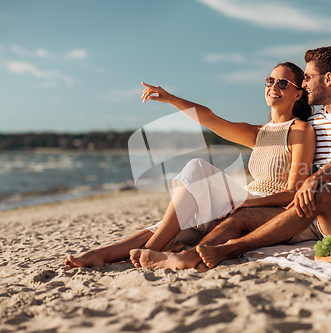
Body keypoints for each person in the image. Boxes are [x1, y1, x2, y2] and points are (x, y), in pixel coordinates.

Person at [128, 45, 331, 270]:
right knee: (238, 218)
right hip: (307, 211)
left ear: (329, 78)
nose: (305, 83)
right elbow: (216, 120)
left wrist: (313, 181)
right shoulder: (313, 122)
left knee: (319, 190)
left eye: (308, 77)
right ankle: (190, 256)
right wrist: (172, 99)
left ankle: (228, 249)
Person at [64, 62, 316, 270]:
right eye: (269, 81)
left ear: (297, 93)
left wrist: (246, 203)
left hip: (266, 208)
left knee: (197, 169)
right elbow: (209, 118)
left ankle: (151, 249)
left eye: (283, 83)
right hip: (243, 198)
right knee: (177, 220)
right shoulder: (258, 132)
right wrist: (171, 99)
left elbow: (294, 192)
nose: (274, 87)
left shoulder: (300, 130)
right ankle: (102, 254)